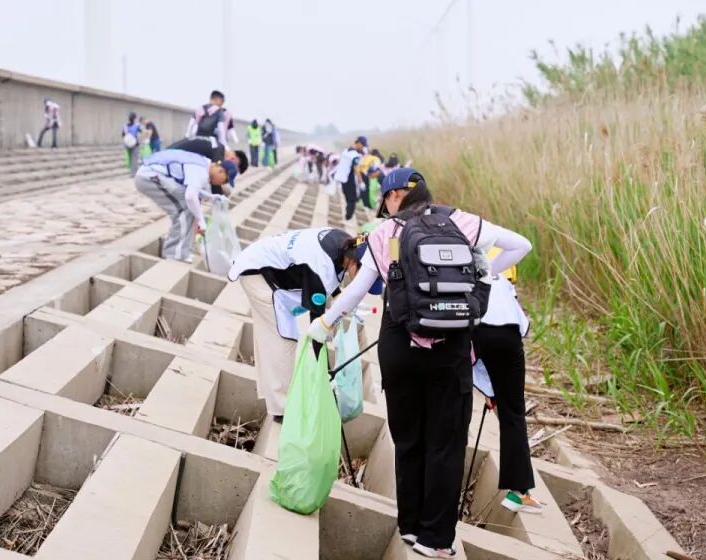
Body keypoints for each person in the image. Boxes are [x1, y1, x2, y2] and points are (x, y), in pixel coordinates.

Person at [309, 168, 532, 558]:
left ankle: (410, 526)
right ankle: (435, 539)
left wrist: (324, 324)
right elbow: (521, 246)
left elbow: (358, 291)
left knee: (408, 440)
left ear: (395, 196)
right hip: (451, 350)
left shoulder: (382, 235)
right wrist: (477, 278)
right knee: (445, 445)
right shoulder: (463, 221)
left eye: (387, 200)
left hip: (399, 346)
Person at [228, 228, 373, 420]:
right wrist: (325, 373)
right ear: (354, 262)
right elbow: (317, 330)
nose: (365, 282)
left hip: (262, 261)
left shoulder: (345, 242)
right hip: (257, 272)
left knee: (274, 335)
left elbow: (329, 283)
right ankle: (282, 410)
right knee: (283, 338)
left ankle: (274, 394)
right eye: (366, 276)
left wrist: (340, 296)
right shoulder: (321, 267)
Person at [473, 269, 543, 514]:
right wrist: (496, 393)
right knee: (513, 412)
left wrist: (488, 390)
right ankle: (519, 492)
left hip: (470, 329)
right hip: (506, 333)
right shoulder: (502, 275)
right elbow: (523, 327)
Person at [135, 148, 238, 262]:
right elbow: (190, 196)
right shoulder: (201, 170)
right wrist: (201, 220)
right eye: (224, 181)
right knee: (183, 210)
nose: (222, 184)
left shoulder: (203, 164)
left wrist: (211, 197)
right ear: (221, 171)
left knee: (188, 208)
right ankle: (173, 253)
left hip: (150, 174)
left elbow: (191, 189)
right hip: (149, 176)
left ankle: (180, 251)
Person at [334, 136, 367, 224]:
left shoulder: (346, 150)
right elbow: (356, 170)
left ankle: (347, 216)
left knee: (348, 198)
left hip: (342, 178)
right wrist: (361, 182)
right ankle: (348, 218)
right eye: (363, 145)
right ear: (359, 143)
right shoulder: (355, 155)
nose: (363, 147)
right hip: (348, 178)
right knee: (352, 199)